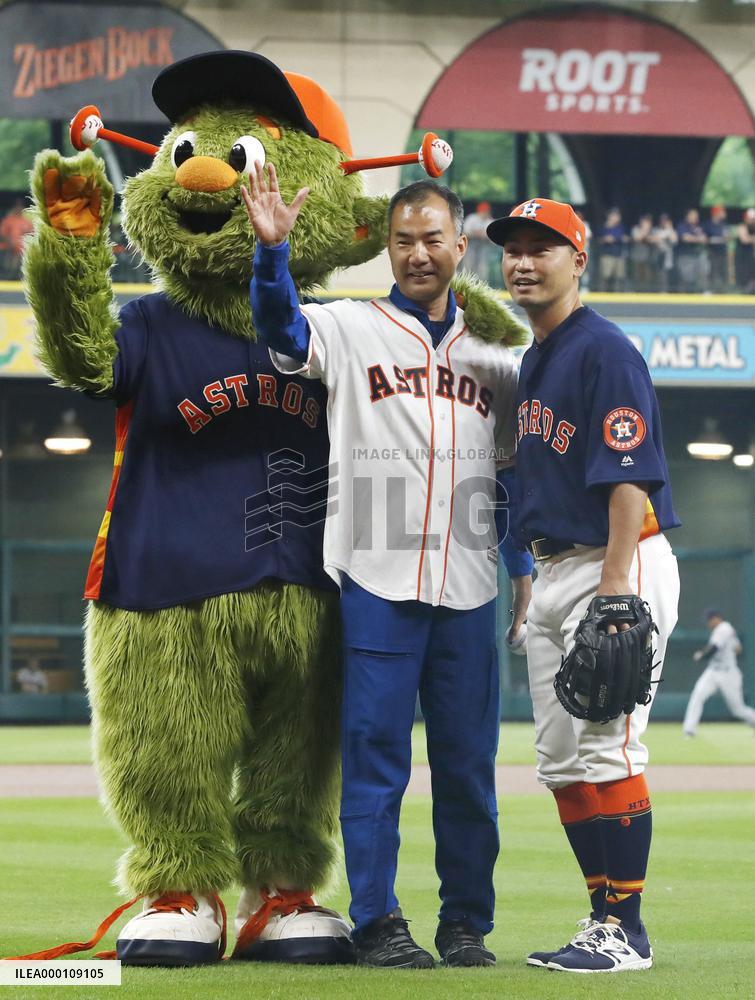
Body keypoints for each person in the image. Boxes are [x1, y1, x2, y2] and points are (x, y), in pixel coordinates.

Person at [243, 167, 533, 969]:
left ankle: (465, 922)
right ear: (386, 247)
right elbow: (283, 332)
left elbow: (509, 475)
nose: (417, 253)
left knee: (469, 771)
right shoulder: (349, 325)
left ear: (459, 245)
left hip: (469, 587)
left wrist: (518, 569)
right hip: (376, 579)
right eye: (402, 240)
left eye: (431, 238)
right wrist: (274, 253)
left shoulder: (495, 355)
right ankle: (376, 921)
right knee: (374, 763)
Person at [487, 197, 681, 973]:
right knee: (562, 761)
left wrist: (611, 589)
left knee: (607, 750)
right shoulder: (536, 358)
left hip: (615, 558)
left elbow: (629, 473)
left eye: (543, 247)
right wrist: (527, 571)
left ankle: (626, 930)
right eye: (512, 250)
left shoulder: (604, 350)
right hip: (556, 566)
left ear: (580, 260)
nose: (523, 261)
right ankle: (601, 915)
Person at [683, 609, 755, 737]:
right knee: (698, 696)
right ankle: (689, 729)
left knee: (738, 710)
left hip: (728, 673)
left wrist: (701, 655)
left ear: (716, 618)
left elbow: (714, 649)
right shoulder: (725, 630)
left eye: (709, 620)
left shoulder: (723, 628)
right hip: (713, 671)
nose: (708, 624)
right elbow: (738, 649)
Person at [675, 208, 708, 293]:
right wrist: (698, 239)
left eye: (696, 215)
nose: (696, 217)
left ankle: (702, 291)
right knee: (686, 277)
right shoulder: (682, 225)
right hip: (686, 256)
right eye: (693, 215)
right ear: (688, 216)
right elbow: (685, 238)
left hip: (697, 255)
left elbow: (704, 238)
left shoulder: (699, 227)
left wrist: (701, 237)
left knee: (702, 273)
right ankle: (683, 294)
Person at [462, 201, 495, 282]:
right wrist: (476, 233)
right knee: (468, 268)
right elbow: (465, 233)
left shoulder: (490, 221)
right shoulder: (472, 218)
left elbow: (493, 238)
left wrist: (483, 234)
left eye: (486, 211)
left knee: (483, 269)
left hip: (484, 249)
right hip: (470, 247)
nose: (485, 212)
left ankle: (481, 290)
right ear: (479, 211)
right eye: (483, 211)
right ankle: (465, 287)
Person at [0, 198, 33, 277]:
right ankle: (8, 275)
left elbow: (32, 235)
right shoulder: (8, 220)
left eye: (20, 206)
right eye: (17, 206)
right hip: (8, 249)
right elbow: (2, 235)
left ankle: (16, 275)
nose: (18, 208)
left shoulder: (27, 222)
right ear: (14, 207)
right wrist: (10, 243)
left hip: (22, 251)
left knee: (21, 254)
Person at [597, 207, 627, 292]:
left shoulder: (620, 227)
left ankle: (618, 296)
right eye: (615, 215)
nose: (617, 217)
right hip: (607, 255)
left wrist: (613, 239)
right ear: (610, 216)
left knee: (619, 277)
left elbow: (623, 237)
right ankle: (603, 294)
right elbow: (598, 238)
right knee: (605, 276)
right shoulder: (603, 227)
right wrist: (605, 239)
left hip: (618, 255)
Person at [650, 213, 678, 292]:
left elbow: (674, 240)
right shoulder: (656, 230)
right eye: (663, 220)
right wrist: (660, 238)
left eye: (666, 220)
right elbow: (652, 240)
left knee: (668, 277)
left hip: (669, 258)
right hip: (657, 256)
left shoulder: (671, 230)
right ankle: (660, 291)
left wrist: (669, 229)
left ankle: (667, 291)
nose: (664, 222)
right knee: (659, 276)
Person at [705, 205, 729, 293]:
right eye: (722, 212)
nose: (724, 214)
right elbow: (705, 238)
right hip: (712, 252)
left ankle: (723, 290)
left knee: (724, 272)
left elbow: (727, 237)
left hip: (722, 251)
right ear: (716, 213)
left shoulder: (724, 225)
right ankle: (711, 289)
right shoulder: (708, 224)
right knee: (713, 271)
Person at [629, 214, 654, 292]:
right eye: (645, 221)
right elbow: (637, 238)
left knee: (647, 277)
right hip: (637, 257)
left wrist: (648, 235)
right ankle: (635, 291)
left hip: (648, 258)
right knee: (636, 276)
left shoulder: (653, 230)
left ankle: (646, 291)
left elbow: (655, 239)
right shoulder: (635, 229)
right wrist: (645, 231)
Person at [734, 208, 755, 293]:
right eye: (751, 218)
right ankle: (742, 290)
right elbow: (744, 240)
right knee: (742, 274)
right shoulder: (742, 226)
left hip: (750, 256)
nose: (752, 220)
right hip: (741, 256)